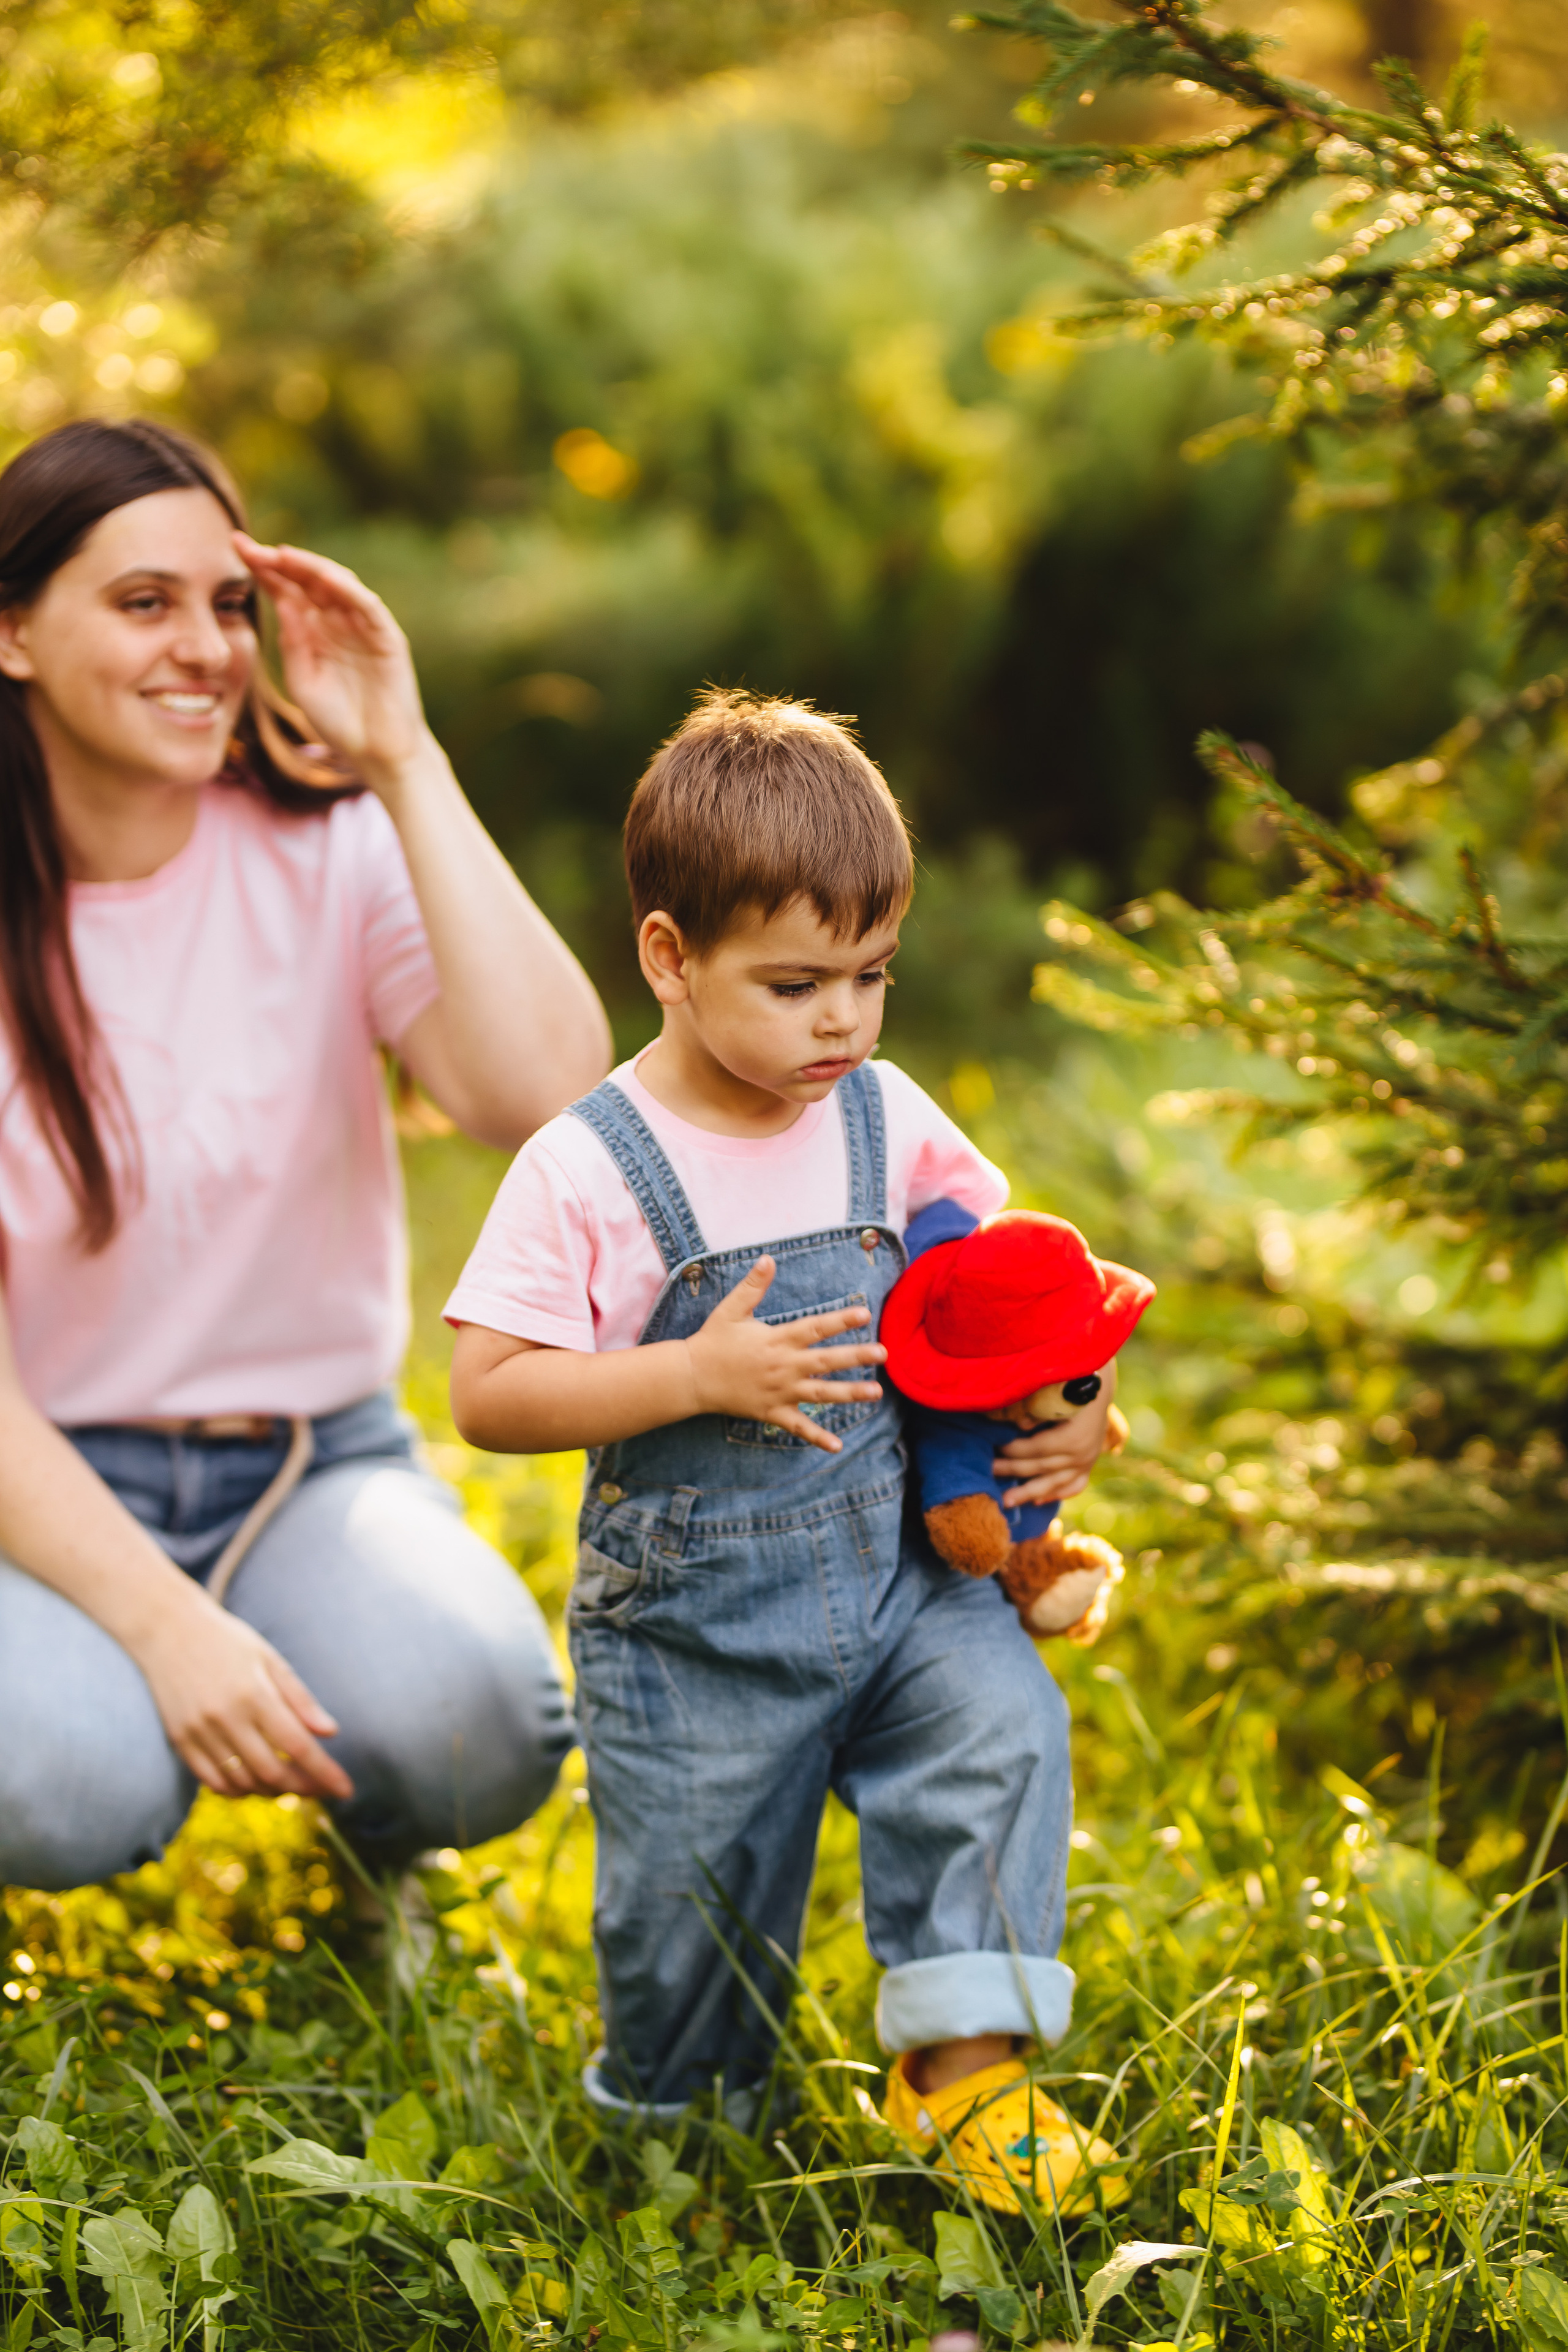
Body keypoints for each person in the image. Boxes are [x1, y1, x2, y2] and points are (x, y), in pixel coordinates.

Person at [448, 689, 1124, 2213]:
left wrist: (1070, 1406)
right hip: (694, 1638)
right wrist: (686, 1371)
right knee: (691, 1913)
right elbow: (486, 1393)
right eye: (798, 982)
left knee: (998, 1732)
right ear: (670, 960)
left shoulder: (885, 1119)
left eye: (872, 977)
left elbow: (999, 1299)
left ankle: (968, 2075)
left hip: (900, 1581)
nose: (842, 1022)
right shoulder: (590, 1168)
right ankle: (677, 2129)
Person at [0, 417, 611, 1893]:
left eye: (228, 604)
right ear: (13, 631)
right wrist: (161, 1627)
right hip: (38, 1494)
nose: (204, 646)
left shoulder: (327, 846)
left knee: (476, 1730)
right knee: (64, 1784)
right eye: (144, 602)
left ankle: (368, 1869)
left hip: (309, 1469)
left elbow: (544, 1090)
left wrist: (402, 759)